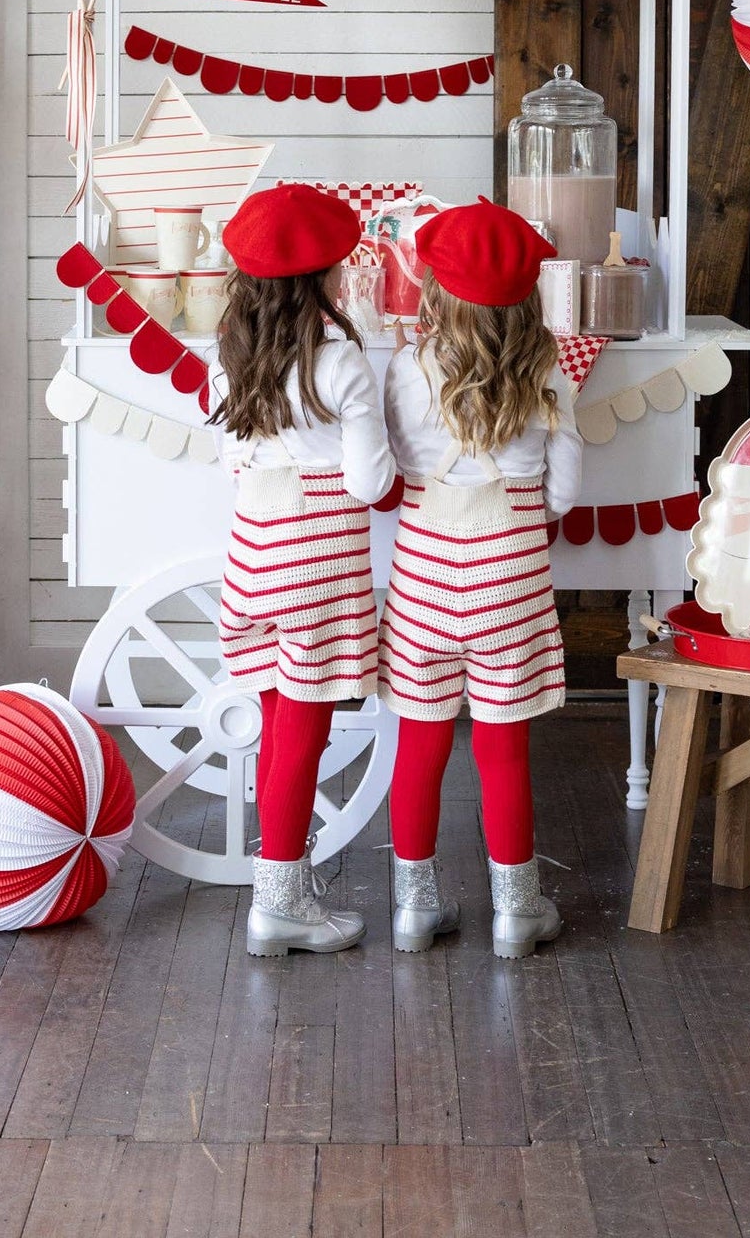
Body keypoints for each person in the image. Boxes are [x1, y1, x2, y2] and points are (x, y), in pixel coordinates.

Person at [377, 200, 583, 958]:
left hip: (426, 581)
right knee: (502, 752)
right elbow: (561, 495)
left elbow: (397, 466)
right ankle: (514, 914)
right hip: (512, 584)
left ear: (435, 289)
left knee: (419, 746)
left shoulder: (406, 366)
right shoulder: (549, 369)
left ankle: (412, 909)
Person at [211, 184, 396, 957]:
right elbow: (368, 484)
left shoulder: (228, 353)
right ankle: (280, 900)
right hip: (318, 561)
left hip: (253, 552)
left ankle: (280, 893)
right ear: (323, 274)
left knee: (278, 727)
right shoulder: (340, 359)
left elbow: (232, 460)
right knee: (303, 735)